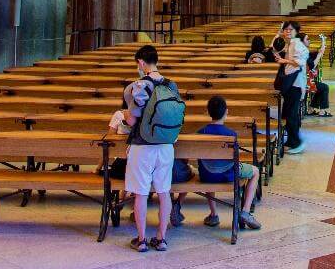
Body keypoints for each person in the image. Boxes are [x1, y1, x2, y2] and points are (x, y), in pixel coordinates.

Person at [108, 45, 178, 252]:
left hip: (143, 145)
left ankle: (141, 240)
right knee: (164, 192)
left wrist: (122, 116)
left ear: (140, 62)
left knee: (141, 193)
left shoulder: (138, 86)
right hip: (166, 145)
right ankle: (162, 238)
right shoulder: (171, 85)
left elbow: (132, 119)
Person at [185, 96, 262, 231]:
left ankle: (214, 214)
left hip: (207, 176)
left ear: (207, 112)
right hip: (228, 174)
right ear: (226, 112)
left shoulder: (200, 133)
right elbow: (234, 159)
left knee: (209, 167)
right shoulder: (230, 134)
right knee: (255, 171)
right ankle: (245, 211)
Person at [274, 21, 307, 153]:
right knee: (288, 114)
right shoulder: (291, 43)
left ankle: (296, 143)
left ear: (296, 31)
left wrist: (284, 60)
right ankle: (291, 141)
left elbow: (300, 62)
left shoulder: (297, 44)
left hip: (295, 84)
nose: (287, 32)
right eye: (285, 30)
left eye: (290, 30)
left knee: (291, 115)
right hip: (291, 83)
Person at [304, 32, 332, 117]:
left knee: (319, 87)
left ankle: (311, 109)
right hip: (303, 83)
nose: (309, 40)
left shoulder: (303, 51)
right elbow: (312, 64)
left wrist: (323, 42)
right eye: (307, 39)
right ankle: (322, 111)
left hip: (303, 80)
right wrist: (319, 54)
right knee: (324, 87)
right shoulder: (304, 53)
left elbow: (320, 52)